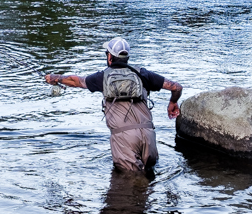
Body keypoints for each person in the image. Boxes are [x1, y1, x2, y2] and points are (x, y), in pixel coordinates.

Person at [44, 37, 183, 173]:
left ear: (110, 57)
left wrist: (56, 78)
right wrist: (172, 102)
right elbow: (176, 87)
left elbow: (76, 81)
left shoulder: (102, 77)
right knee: (149, 179)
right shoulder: (143, 74)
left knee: (127, 184)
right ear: (126, 57)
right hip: (149, 137)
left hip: (124, 140)